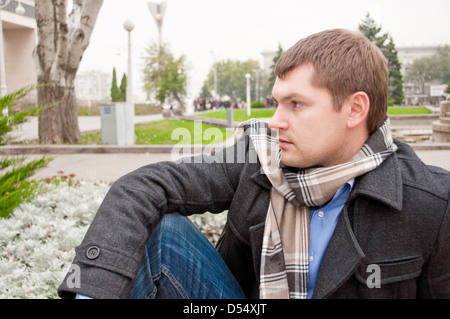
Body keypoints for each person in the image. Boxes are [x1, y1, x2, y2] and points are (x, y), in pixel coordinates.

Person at [58, 29, 450, 299]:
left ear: (354, 109)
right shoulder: (258, 157)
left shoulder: (432, 203)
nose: (275, 121)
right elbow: (144, 186)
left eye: (296, 104)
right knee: (166, 232)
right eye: (276, 102)